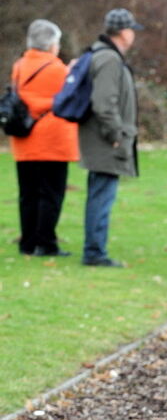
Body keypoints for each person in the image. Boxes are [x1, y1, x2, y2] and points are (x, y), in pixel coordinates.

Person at [78, 8, 142, 267]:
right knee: (101, 196)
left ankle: (94, 249)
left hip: (102, 139)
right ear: (123, 32)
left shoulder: (102, 55)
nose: (133, 35)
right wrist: (116, 134)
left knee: (100, 193)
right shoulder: (109, 60)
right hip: (106, 140)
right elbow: (104, 102)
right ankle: (94, 252)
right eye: (132, 30)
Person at [10, 20, 79, 256]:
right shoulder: (58, 69)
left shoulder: (19, 66)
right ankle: (46, 242)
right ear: (51, 44)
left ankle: (27, 242)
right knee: (51, 194)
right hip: (52, 140)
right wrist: (72, 73)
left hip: (24, 140)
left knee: (28, 194)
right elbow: (68, 97)